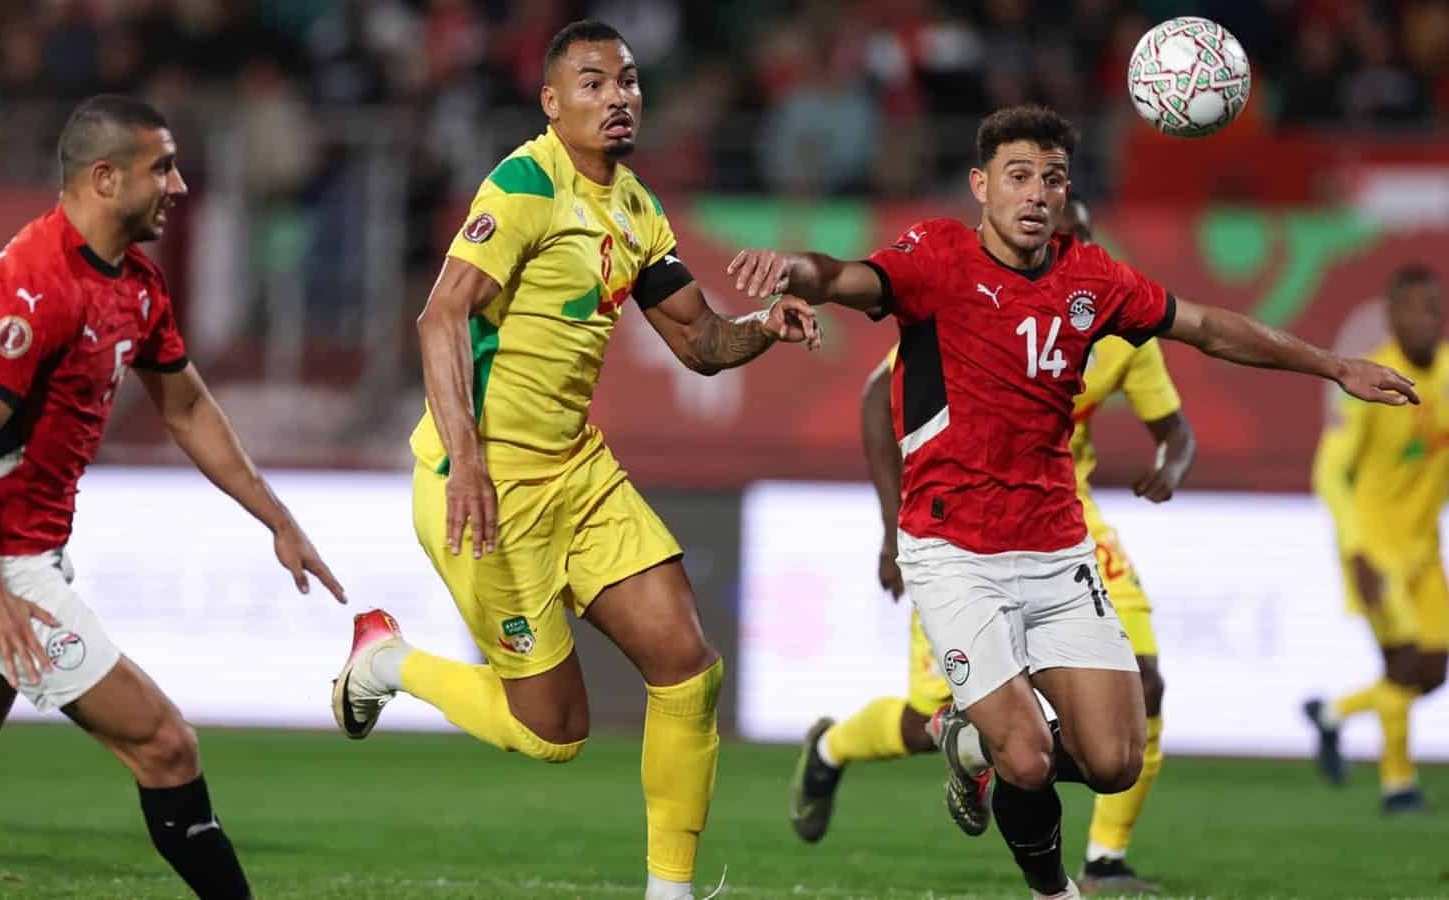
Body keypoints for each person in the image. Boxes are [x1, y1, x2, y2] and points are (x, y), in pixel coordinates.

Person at [727, 104, 1414, 899]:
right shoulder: (935, 259)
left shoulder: (1094, 280)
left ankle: (970, 747)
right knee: (1027, 756)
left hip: (1057, 550)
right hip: (955, 555)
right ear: (980, 186)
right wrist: (791, 271)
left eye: (1052, 178)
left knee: (1116, 761)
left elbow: (1208, 327)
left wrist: (1333, 365)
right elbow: (842, 276)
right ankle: (1058, 888)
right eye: (1018, 177)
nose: (1037, 194)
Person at [329, 20, 817, 900]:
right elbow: (440, 317)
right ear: (552, 104)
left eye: (628, 81)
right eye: (593, 83)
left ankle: (667, 893)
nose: (619, 96)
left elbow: (700, 342)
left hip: (577, 472)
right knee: (552, 733)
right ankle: (385, 662)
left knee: (689, 668)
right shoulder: (524, 183)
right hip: (484, 484)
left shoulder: (636, 209)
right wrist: (468, 462)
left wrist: (764, 332)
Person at [0, 95, 345, 900]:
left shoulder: (137, 286)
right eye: (163, 167)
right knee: (165, 744)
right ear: (106, 178)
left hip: (24, 552)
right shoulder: (32, 285)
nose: (179, 186)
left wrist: (277, 520)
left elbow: (185, 407)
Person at [787, 195, 1195, 895]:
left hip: (1069, 522)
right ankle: (833, 747)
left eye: (1081, 240)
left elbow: (1176, 430)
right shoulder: (980, 302)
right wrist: (892, 530)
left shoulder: (1116, 321)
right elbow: (875, 398)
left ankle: (1104, 859)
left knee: (1144, 687)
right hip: (960, 525)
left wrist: (1172, 466)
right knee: (929, 720)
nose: (1068, 253)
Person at [1306, 263, 1448, 815]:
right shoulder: (1373, 380)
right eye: (1416, 308)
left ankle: (1334, 713)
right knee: (1406, 661)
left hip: (1425, 548)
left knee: (1434, 672)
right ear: (1392, 317)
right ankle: (1399, 785)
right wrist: (1357, 551)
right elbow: (1330, 473)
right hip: (1375, 547)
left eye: (1435, 308)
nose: (1428, 319)